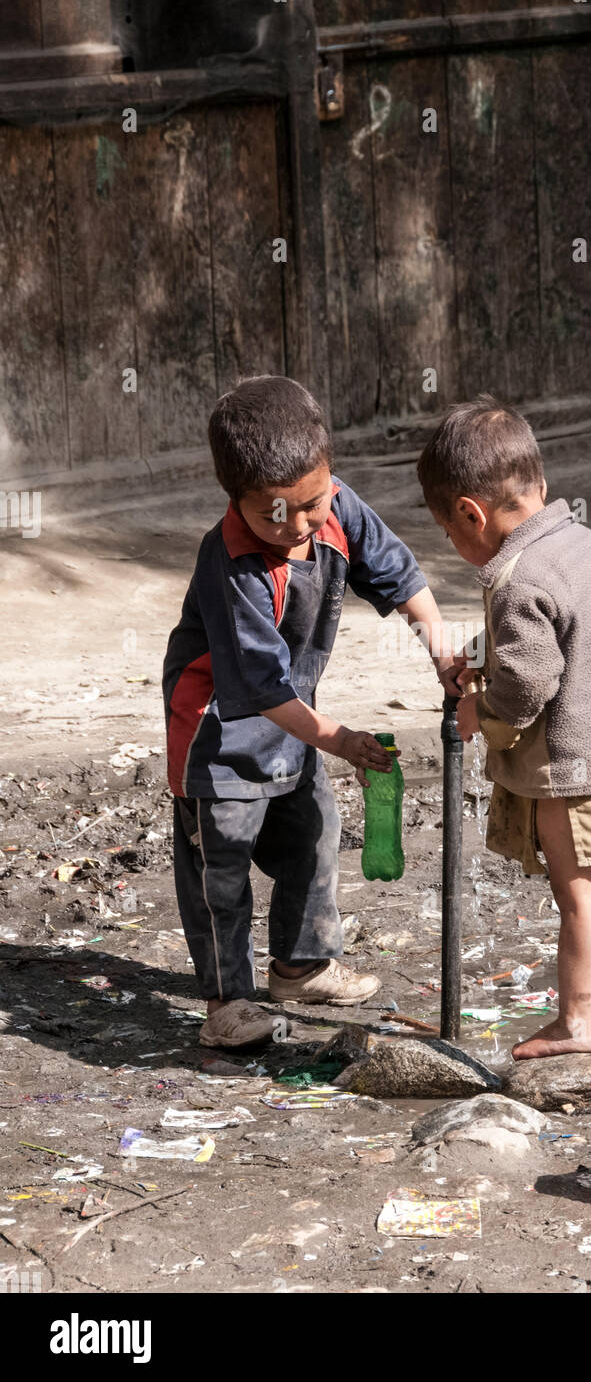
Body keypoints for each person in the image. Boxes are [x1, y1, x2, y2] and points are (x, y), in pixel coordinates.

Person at [163, 375, 455, 1050]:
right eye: (274, 513)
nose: (297, 527)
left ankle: (299, 965)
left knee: (314, 832)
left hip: (294, 718)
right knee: (223, 869)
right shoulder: (231, 564)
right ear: (233, 498)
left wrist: (443, 652)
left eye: (311, 505)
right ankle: (225, 1001)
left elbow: (401, 578)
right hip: (218, 732)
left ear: (329, 478)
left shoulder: (337, 509)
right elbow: (261, 688)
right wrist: (343, 740)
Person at [417, 395, 591, 1060]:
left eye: (450, 535)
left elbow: (530, 678)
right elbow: (546, 634)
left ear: (468, 513)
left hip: (573, 768)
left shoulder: (516, 577)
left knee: (576, 898)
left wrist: (478, 709)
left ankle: (573, 1023)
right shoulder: (577, 541)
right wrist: (476, 655)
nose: (456, 548)